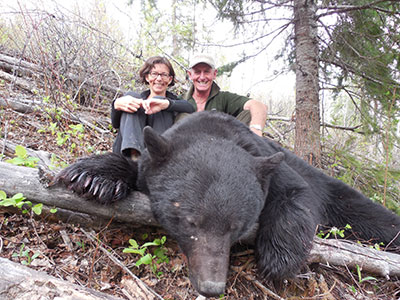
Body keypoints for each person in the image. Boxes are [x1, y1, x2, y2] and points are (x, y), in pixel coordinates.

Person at [111, 56, 194, 159]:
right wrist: (116, 105)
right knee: (131, 96)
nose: (159, 79)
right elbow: (115, 124)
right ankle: (134, 155)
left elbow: (191, 108)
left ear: (169, 79)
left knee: (160, 99)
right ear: (147, 77)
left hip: (159, 153)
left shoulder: (174, 101)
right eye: (154, 74)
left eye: (164, 75)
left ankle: (153, 159)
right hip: (128, 155)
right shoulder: (137, 99)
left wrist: (166, 104)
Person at [185, 54, 267, 136]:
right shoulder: (180, 101)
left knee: (249, 113)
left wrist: (255, 130)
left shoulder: (224, 98)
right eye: (197, 72)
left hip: (222, 145)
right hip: (186, 145)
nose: (202, 77)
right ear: (190, 74)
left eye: (206, 71)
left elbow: (259, 106)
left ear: (214, 74)